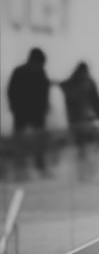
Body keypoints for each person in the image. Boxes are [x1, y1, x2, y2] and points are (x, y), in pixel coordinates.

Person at [6, 47, 50, 175]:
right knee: (39, 140)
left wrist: (14, 107)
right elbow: (44, 92)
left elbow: (11, 90)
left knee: (20, 140)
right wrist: (44, 108)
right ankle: (40, 166)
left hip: (21, 112)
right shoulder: (40, 71)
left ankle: (20, 167)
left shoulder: (18, 71)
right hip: (37, 112)